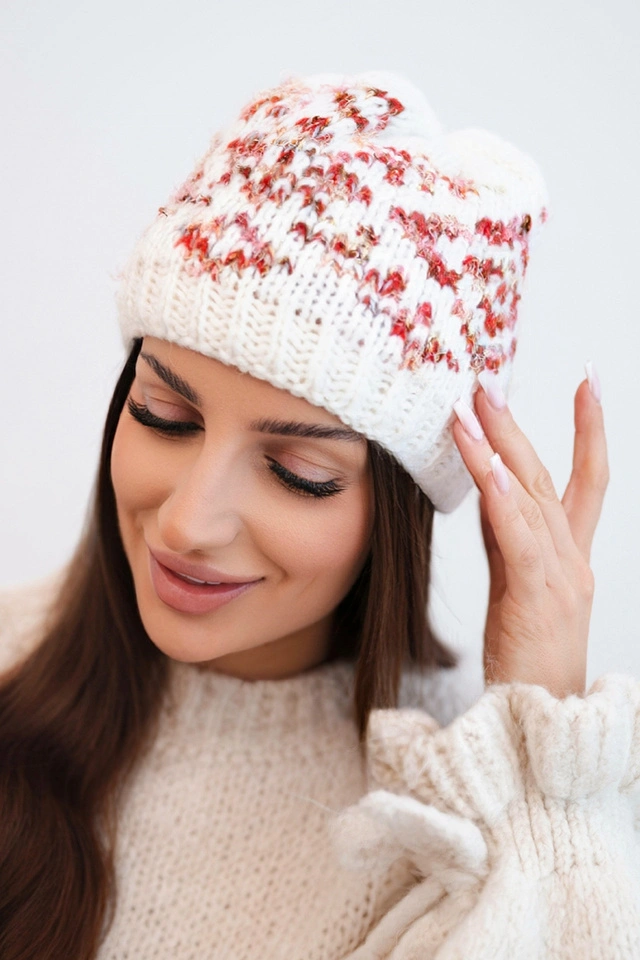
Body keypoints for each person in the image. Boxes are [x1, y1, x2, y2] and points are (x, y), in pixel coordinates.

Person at [0, 69, 638, 960]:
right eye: (163, 416)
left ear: (399, 516)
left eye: (297, 472)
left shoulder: (452, 818)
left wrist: (548, 773)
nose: (188, 522)